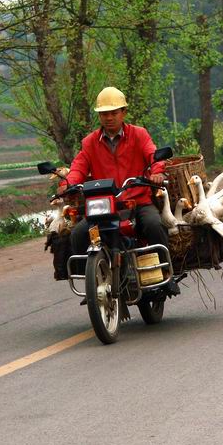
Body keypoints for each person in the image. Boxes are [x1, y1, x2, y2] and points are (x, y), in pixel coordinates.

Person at [58, 86, 175, 292]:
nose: (109, 118)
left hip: (137, 201)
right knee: (78, 234)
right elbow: (78, 167)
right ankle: (92, 285)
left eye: (113, 113)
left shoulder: (139, 135)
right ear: (99, 116)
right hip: (104, 206)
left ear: (124, 113)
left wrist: (157, 172)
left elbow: (152, 155)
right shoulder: (90, 142)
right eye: (104, 114)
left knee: (154, 224)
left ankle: (166, 275)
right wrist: (66, 185)